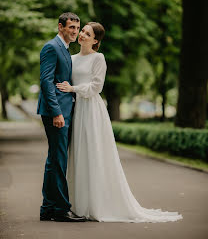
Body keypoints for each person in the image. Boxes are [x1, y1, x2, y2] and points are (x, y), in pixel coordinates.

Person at [56, 22, 183, 223]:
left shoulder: (98, 58)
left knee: (93, 153)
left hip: (91, 110)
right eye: (82, 31)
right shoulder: (71, 59)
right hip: (76, 109)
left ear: (96, 40)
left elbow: (96, 87)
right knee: (78, 154)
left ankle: (96, 204)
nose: (82, 34)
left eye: (87, 33)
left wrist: (73, 89)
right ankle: (79, 205)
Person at [37, 12, 86, 222]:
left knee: (54, 159)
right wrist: (57, 112)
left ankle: (48, 208)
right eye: (71, 27)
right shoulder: (51, 47)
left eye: (77, 28)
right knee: (59, 160)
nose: (75, 31)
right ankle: (61, 209)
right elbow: (46, 81)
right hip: (55, 112)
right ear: (60, 27)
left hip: (64, 110)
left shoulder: (66, 49)